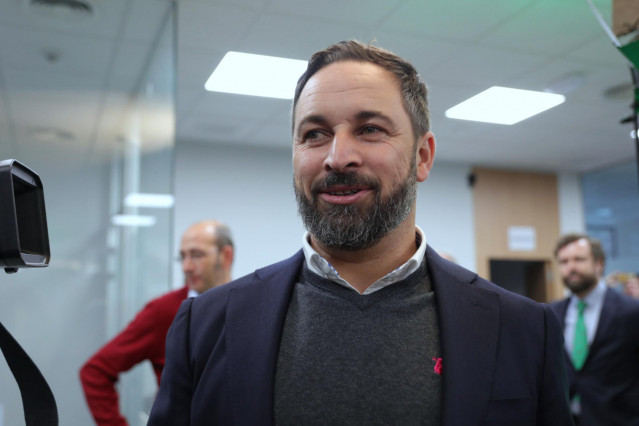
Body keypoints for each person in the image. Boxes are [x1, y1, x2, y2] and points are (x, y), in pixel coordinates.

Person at [148, 40, 572, 426]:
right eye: (315, 134)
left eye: (369, 129)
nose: (338, 157)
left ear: (422, 157)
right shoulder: (203, 325)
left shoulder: (526, 329)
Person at [80, 220, 234, 426]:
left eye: (197, 255)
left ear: (226, 256)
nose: (187, 267)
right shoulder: (165, 311)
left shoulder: (248, 306)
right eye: (182, 257)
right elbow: (95, 372)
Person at [550, 233, 639, 425]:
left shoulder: (631, 311)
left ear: (599, 264)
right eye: (564, 262)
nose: (571, 267)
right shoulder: (552, 314)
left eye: (579, 259)